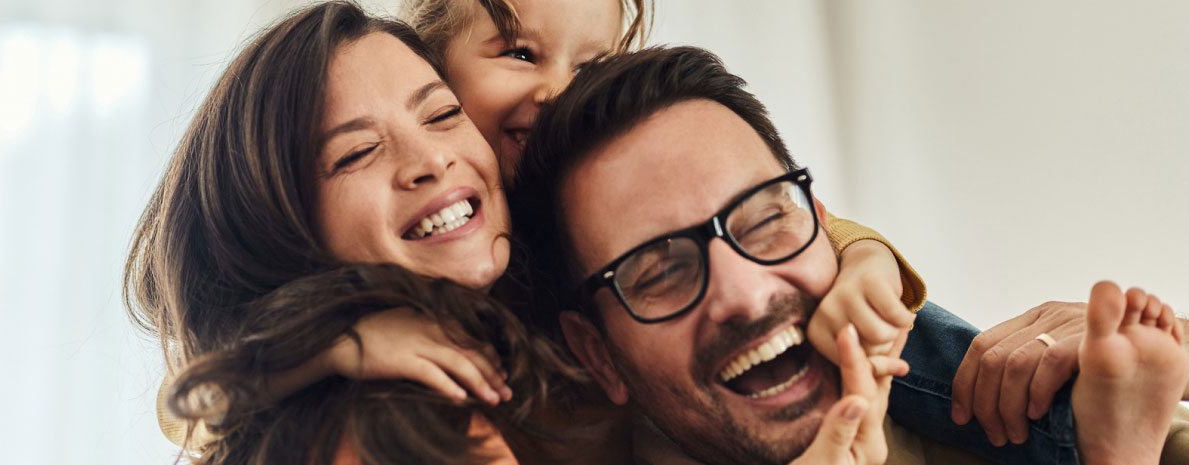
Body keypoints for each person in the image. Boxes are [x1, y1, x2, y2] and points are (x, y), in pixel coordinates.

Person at [134, 2, 950, 463]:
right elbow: (205, 399)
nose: (560, 91)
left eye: (439, 118)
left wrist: (868, 254)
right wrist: (334, 341)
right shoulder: (378, 403)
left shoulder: (572, 211)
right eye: (520, 53)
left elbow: (763, 228)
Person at [507, 45, 1189, 464]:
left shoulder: (960, 409)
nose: (743, 291)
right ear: (595, 353)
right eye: (659, 268)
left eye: (765, 218)